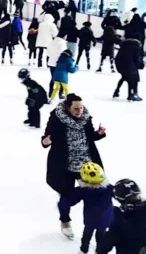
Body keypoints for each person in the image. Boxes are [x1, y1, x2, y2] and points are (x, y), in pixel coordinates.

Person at [41, 94, 106, 239]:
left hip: (87, 164)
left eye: (81, 108)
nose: (79, 111)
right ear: (67, 107)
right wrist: (46, 141)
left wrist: (99, 134)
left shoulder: (86, 117)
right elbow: (46, 136)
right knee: (66, 197)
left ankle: (95, 224)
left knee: (93, 194)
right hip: (65, 165)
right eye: (75, 108)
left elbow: (90, 136)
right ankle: (65, 221)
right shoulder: (57, 118)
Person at [58, 162, 113, 252]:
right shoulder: (109, 188)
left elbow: (68, 200)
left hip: (90, 221)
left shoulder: (84, 190)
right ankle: (100, 251)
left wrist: (63, 205)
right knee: (101, 237)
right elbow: (120, 195)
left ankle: (84, 251)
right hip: (105, 219)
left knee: (87, 237)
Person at [97, 179, 146, 254]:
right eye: (131, 198)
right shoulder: (120, 220)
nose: (135, 199)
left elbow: (103, 246)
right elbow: (106, 243)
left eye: (135, 196)